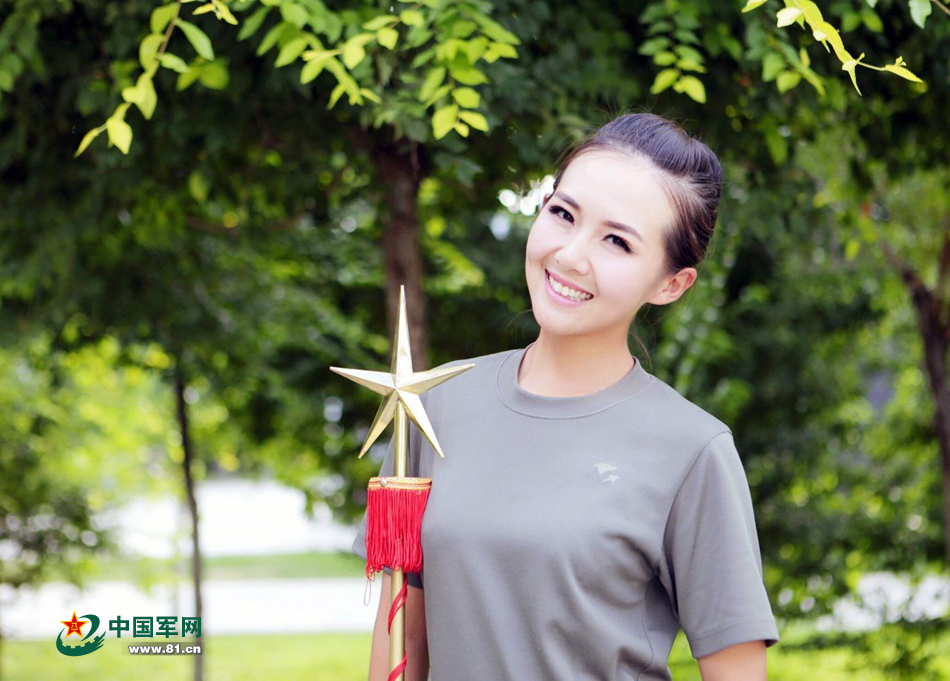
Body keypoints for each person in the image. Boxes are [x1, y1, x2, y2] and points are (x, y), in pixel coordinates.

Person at [351, 111, 781, 681]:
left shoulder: (693, 450)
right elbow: (401, 639)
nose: (572, 255)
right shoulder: (432, 404)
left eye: (617, 242)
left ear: (671, 284)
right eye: (563, 213)